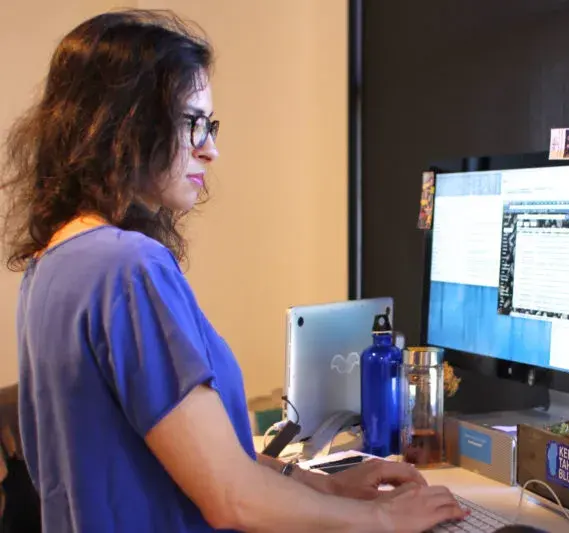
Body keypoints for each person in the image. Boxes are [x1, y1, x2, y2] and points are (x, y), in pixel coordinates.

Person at [0, 10, 467, 533]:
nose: (211, 148)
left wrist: (324, 485)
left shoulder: (53, 262)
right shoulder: (128, 268)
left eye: (210, 125)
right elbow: (230, 497)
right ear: (125, 124)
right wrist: (383, 519)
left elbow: (196, 459)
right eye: (192, 122)